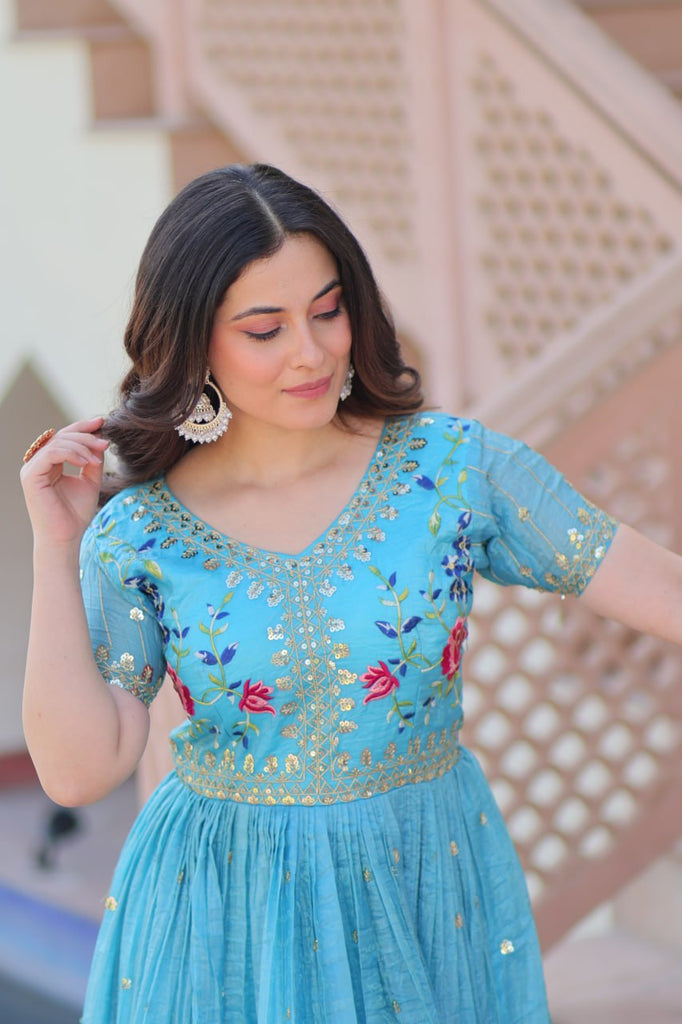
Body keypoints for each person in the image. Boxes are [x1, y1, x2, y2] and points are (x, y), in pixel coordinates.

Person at [19, 163, 682, 1024]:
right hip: (223, 911)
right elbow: (78, 772)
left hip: (423, 880)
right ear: (194, 343)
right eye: (266, 329)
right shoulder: (141, 532)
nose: (311, 351)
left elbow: (656, 586)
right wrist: (56, 546)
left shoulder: (451, 469)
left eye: (327, 311)